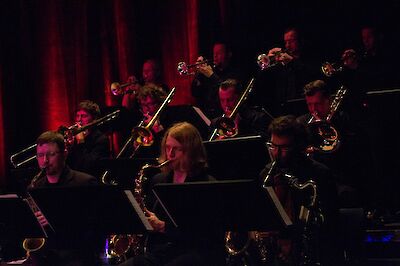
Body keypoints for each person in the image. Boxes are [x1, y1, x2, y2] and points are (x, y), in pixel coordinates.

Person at [119, 122, 226, 266]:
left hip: (195, 252)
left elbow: (206, 234)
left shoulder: (206, 184)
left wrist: (164, 227)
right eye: (168, 148)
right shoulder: (159, 180)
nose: (170, 154)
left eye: (176, 149)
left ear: (191, 151)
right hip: (164, 250)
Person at [260, 115, 339, 265]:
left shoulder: (319, 174)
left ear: (298, 146)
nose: (276, 153)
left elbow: (331, 224)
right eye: (273, 146)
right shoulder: (265, 174)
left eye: (284, 148)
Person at [27, 130, 101, 266]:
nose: (45, 161)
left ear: (64, 154)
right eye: (40, 155)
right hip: (47, 255)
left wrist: (56, 220)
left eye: (51, 154)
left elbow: (96, 227)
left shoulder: (85, 183)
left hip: (77, 255)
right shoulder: (36, 186)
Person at [297, 80, 374, 208]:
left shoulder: (344, 120)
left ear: (329, 101)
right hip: (313, 179)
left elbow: (357, 156)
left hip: (341, 178)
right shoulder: (301, 123)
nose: (314, 110)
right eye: (309, 104)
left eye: (318, 104)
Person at [252, 27, 320, 117]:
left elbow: (310, 75)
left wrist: (292, 62)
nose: (287, 45)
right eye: (286, 42)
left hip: (304, 109)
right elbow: (260, 82)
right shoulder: (281, 63)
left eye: (291, 41)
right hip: (283, 110)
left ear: (300, 40)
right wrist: (266, 62)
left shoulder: (310, 58)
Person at [191, 41, 242, 118]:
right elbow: (195, 93)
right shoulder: (212, 71)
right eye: (214, 53)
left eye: (219, 53)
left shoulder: (235, 73)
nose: (215, 56)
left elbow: (226, 91)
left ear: (228, 54)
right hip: (207, 116)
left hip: (225, 116)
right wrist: (198, 74)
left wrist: (211, 75)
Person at [66, 100, 110, 180]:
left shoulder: (101, 139)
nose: (79, 120)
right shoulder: (75, 137)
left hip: (91, 182)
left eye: (84, 116)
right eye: (77, 116)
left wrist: (81, 142)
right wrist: (69, 147)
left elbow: (87, 167)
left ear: (94, 119)